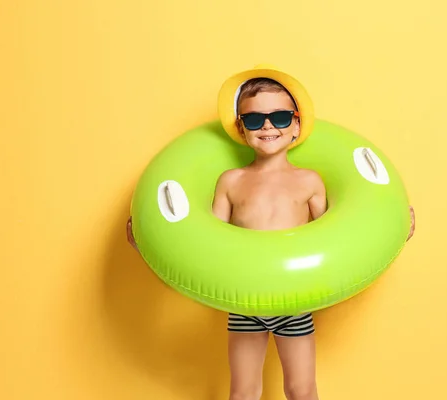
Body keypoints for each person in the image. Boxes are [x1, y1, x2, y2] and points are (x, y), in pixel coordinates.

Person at [126, 78, 416, 400]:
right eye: (254, 119)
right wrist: (150, 242)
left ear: (295, 124)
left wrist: (395, 233)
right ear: (241, 128)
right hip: (244, 302)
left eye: (278, 117)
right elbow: (203, 247)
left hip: (295, 303)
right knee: (244, 393)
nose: (267, 127)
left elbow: (339, 245)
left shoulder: (309, 181)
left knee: (301, 390)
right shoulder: (231, 182)